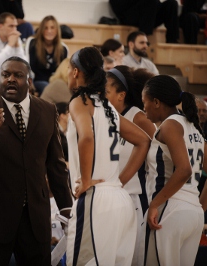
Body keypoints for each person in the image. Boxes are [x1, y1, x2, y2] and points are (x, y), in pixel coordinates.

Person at [0, 56, 72, 265]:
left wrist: (66, 208)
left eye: (18, 75)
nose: (11, 79)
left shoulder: (48, 110)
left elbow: (56, 165)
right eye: (6, 75)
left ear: (30, 81)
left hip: (35, 219)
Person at [65, 47, 150, 265]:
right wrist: (119, 181)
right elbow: (143, 141)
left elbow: (86, 137)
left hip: (96, 199)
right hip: (120, 200)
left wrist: (85, 181)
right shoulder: (109, 107)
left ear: (75, 72)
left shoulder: (80, 101)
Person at [142, 75, 207, 265]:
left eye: (145, 102)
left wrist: (154, 204)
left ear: (157, 102)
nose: (143, 108)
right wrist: (198, 208)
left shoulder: (170, 125)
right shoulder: (192, 125)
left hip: (170, 210)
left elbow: (184, 169)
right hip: (193, 214)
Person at [105, 65, 155, 265]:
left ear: (121, 95)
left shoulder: (138, 117)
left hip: (135, 198)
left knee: (132, 259)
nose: (100, 95)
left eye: (105, 91)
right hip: (110, 198)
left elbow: (161, 154)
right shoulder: (105, 117)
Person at [25, 16, 68, 95]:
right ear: (41, 30)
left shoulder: (63, 48)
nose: (49, 31)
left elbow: (63, 73)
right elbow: (27, 66)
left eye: (52, 28)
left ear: (57, 30)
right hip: (35, 82)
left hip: (54, 83)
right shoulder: (32, 43)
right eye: (46, 28)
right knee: (46, 87)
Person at [109, 0, 179, 43]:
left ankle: (172, 40)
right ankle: (143, 39)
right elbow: (118, 6)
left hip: (148, 16)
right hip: (129, 16)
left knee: (172, 3)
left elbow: (156, 4)